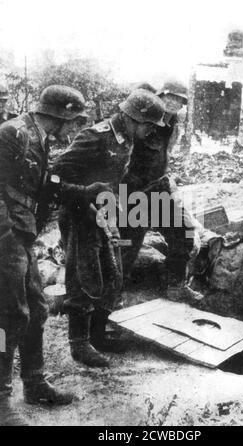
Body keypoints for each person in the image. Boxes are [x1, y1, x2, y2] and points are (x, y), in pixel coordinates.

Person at [0, 84, 106, 426]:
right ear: (60, 115)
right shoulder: (12, 133)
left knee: (37, 307)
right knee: (9, 314)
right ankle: (1, 396)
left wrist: (84, 192)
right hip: (6, 232)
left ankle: (34, 383)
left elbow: (46, 184)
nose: (73, 128)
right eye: (72, 120)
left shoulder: (38, 137)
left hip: (21, 230)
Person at [53, 89, 166, 368]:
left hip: (104, 215)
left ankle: (97, 335)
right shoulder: (95, 137)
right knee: (84, 276)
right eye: (149, 124)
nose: (151, 130)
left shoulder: (126, 139)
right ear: (131, 118)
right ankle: (79, 344)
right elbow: (55, 178)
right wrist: (86, 195)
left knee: (112, 274)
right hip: (80, 215)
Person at [120, 80, 203, 300]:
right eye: (171, 97)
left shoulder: (172, 124)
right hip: (135, 194)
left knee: (184, 232)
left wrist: (170, 188)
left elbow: (164, 159)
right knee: (127, 246)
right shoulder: (143, 122)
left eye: (181, 100)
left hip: (160, 189)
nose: (175, 103)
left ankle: (176, 286)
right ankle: (113, 297)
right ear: (160, 96)